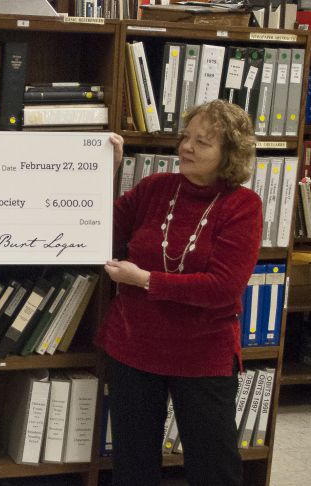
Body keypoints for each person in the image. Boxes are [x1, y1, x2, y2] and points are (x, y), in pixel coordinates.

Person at [97, 100, 261, 486]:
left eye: (202, 142)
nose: (186, 147)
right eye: (186, 137)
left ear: (228, 155)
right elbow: (101, 231)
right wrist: (107, 172)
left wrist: (146, 281)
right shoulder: (155, 189)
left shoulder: (243, 206)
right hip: (133, 348)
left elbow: (223, 288)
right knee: (132, 469)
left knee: (214, 469)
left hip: (202, 355)